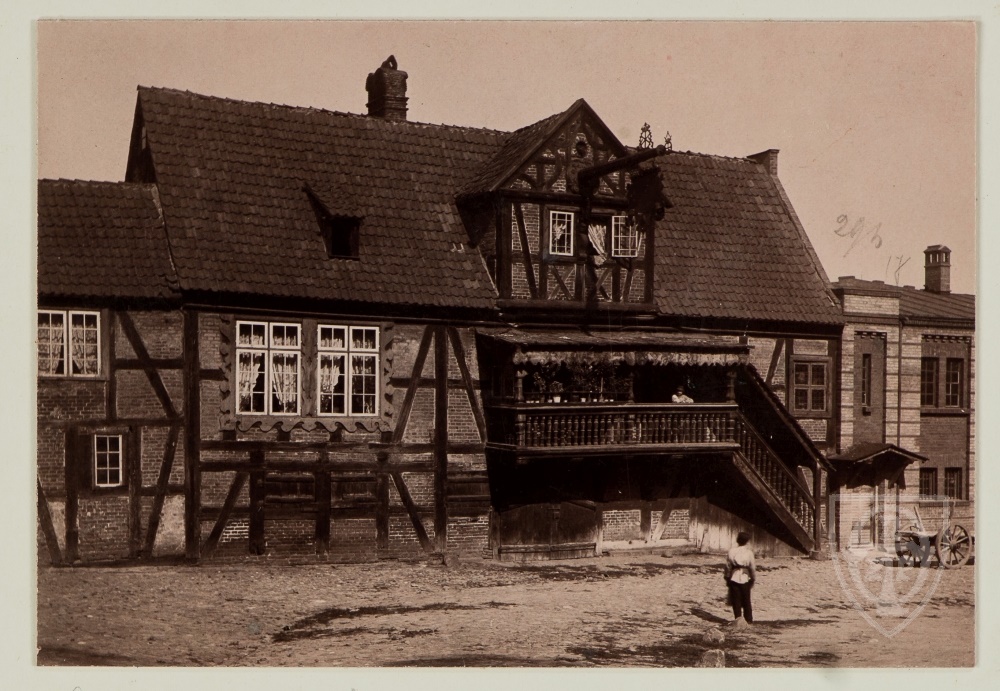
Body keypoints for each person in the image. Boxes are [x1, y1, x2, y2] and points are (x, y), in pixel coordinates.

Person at [724, 531, 756, 625]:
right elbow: (752, 567)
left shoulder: (731, 551)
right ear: (747, 541)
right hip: (745, 577)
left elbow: (728, 566)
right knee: (746, 600)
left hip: (734, 577)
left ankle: (738, 620)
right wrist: (753, 578)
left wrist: (727, 577)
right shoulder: (749, 553)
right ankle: (749, 621)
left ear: (738, 540)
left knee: (736, 601)